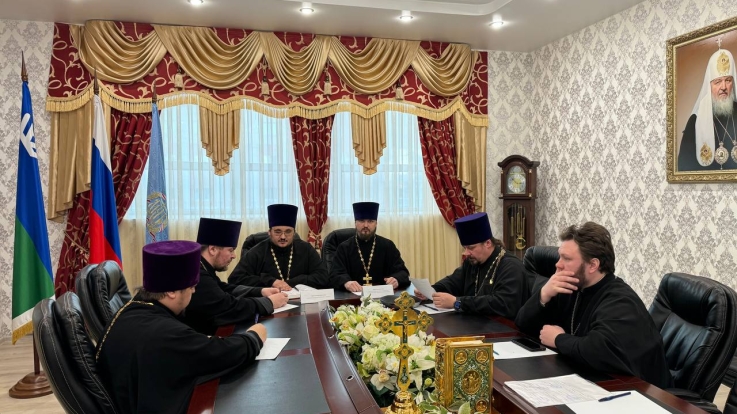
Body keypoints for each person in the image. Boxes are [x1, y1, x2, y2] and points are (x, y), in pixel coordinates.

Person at [96, 240, 267, 414]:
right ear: (171, 291)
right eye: (191, 286)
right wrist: (254, 337)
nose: (194, 292)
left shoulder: (134, 308)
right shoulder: (164, 332)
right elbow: (219, 353)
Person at [514, 222, 673, 388]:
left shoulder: (620, 300)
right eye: (560, 256)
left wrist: (558, 339)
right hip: (588, 378)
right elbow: (522, 324)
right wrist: (543, 294)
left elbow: (599, 350)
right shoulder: (570, 286)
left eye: (566, 258)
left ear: (592, 265)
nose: (558, 264)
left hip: (643, 392)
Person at [414, 212, 529, 319]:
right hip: (477, 321)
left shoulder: (511, 267)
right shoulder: (473, 261)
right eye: (465, 248)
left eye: (471, 248)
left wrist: (457, 302)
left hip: (504, 327)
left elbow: (502, 304)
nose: (466, 253)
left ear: (487, 243)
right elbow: (453, 282)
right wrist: (432, 290)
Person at [184, 217, 288, 335]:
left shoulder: (202, 266)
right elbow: (227, 307)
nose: (234, 256)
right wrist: (268, 303)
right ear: (212, 249)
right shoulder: (197, 274)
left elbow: (222, 288)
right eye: (231, 250)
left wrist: (261, 291)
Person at [228, 204, 330, 290]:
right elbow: (235, 279)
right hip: (267, 303)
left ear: (294, 233)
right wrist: (270, 281)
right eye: (277, 232)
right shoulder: (257, 251)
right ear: (269, 232)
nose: (283, 237)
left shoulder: (306, 249)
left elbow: (323, 277)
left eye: (288, 232)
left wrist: (294, 282)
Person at [330, 202, 410, 292]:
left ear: (376, 223)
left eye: (370, 221)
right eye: (361, 221)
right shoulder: (344, 248)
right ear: (355, 223)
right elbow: (335, 275)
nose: (366, 225)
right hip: (353, 296)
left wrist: (396, 279)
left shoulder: (387, 246)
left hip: (383, 296)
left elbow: (402, 272)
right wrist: (346, 282)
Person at [679, 47, 737, 171]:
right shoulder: (695, 120)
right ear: (709, 85)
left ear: (733, 82)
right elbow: (684, 167)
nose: (723, 87)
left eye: (728, 80)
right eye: (717, 82)